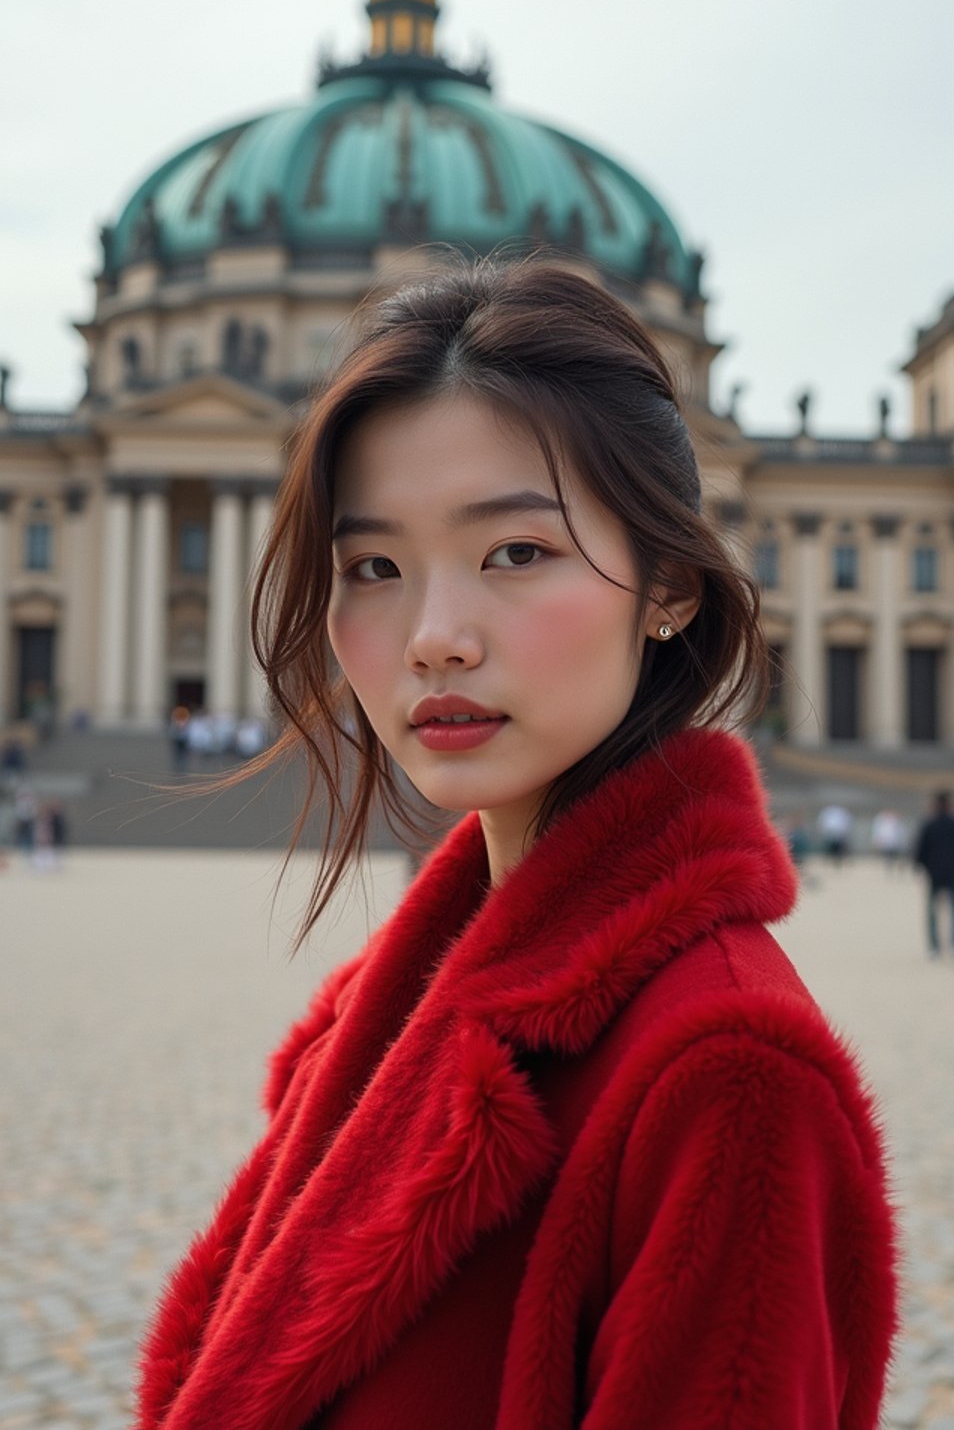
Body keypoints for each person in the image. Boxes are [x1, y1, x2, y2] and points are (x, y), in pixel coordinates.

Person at [135, 261, 897, 1430]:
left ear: (672, 583)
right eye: (373, 568)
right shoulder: (384, 1015)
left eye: (515, 553)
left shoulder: (725, 1079)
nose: (434, 638)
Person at [914, 789, 954, 961]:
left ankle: (934, 947)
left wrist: (921, 867)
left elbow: (920, 850)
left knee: (932, 910)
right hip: (953, 872)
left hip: (934, 872)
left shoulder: (929, 824)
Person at [818, 800, 853, 865]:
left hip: (839, 835)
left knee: (838, 851)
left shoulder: (842, 813)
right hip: (831, 835)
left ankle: (838, 861)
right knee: (830, 850)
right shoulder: (828, 813)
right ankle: (828, 862)